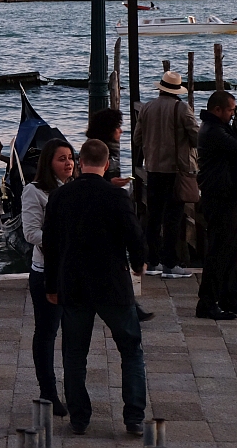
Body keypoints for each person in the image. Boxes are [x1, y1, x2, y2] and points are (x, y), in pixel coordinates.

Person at [44, 139, 148, 437]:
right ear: (106, 164)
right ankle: (134, 416)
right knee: (130, 350)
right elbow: (135, 236)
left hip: (74, 286)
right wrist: (139, 264)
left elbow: (50, 247)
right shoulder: (117, 196)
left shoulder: (60, 197)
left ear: (79, 161)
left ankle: (79, 417)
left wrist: (52, 286)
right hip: (113, 286)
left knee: (75, 354)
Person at [20, 138, 74, 418]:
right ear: (48, 163)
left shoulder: (74, 189)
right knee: (47, 332)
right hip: (46, 273)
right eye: (61, 159)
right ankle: (48, 391)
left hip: (74, 272)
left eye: (70, 157)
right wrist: (65, 241)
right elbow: (31, 234)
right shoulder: (35, 191)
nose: (68, 163)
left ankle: (74, 390)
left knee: (75, 333)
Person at [197, 90, 237, 320]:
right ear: (217, 110)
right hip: (220, 198)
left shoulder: (220, 127)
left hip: (229, 197)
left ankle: (228, 297)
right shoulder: (213, 130)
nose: (234, 113)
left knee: (231, 251)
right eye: (230, 110)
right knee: (219, 251)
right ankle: (207, 303)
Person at [87, 108, 155, 322]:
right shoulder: (98, 149)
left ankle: (130, 306)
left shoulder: (109, 148)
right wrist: (111, 184)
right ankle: (130, 307)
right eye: (118, 127)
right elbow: (90, 180)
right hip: (101, 211)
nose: (121, 131)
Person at [134, 70, 199, 279]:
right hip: (175, 170)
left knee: (154, 217)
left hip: (153, 169)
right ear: (177, 90)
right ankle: (170, 263)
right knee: (173, 217)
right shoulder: (182, 109)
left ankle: (152, 261)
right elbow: (196, 138)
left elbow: (137, 139)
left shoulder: (147, 107)